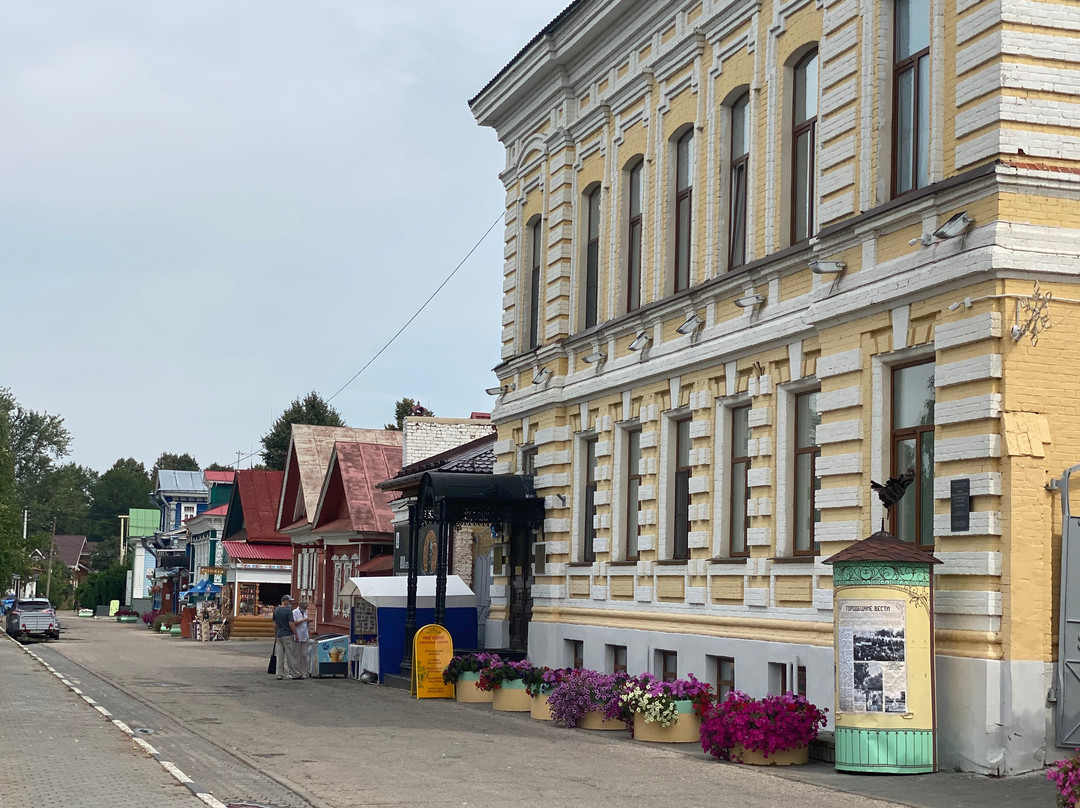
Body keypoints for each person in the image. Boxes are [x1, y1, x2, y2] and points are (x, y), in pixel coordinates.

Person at [272, 594, 303, 680]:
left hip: (279, 635)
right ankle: (295, 674)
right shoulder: (288, 611)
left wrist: (275, 634)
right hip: (287, 635)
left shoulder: (276, 610)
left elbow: (274, 624)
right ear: (285, 601)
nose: (290, 603)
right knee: (290, 656)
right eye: (289, 601)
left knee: (280, 656)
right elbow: (291, 624)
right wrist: (296, 634)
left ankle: (279, 674)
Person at [292, 600, 315, 676]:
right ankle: (295, 671)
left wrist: (308, 621)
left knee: (304, 654)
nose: (305, 609)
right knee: (297, 655)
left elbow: (305, 623)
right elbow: (294, 623)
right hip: (297, 635)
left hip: (305, 635)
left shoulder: (306, 612)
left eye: (306, 608)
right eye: (304, 608)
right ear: (300, 606)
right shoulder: (294, 612)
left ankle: (303, 671)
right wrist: (304, 620)